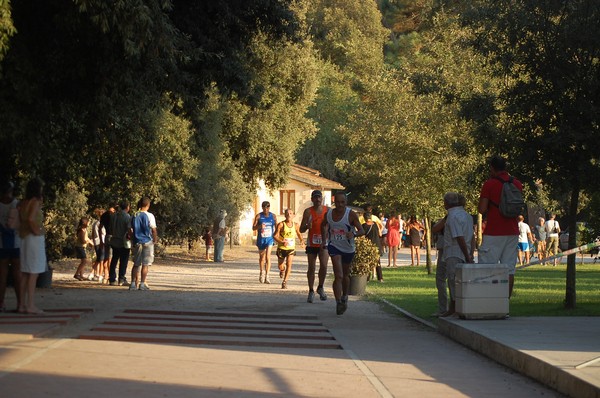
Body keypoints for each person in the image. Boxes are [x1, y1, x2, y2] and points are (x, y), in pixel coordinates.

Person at [477, 155, 523, 297]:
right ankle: (505, 304)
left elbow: (482, 209)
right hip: (512, 230)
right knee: (509, 269)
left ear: (492, 168)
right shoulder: (517, 183)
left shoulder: (489, 184)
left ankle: (489, 302)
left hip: (494, 232)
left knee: (488, 267)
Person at [321, 192, 365, 315]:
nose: (340, 205)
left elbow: (361, 230)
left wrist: (354, 234)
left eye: (343, 202)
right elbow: (323, 224)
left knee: (345, 275)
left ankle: (345, 296)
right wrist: (324, 240)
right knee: (338, 275)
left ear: (346, 203)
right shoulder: (329, 214)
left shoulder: (350, 214)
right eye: (338, 202)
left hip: (348, 248)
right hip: (334, 246)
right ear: (334, 202)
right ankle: (338, 301)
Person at [441, 192, 474, 317]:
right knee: (462, 281)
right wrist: (470, 253)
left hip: (454, 252)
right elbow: (472, 236)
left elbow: (459, 237)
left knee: (453, 280)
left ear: (447, 203)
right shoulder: (467, 216)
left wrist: (466, 255)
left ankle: (454, 307)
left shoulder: (453, 217)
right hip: (464, 252)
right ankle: (459, 307)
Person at [18, 177, 46, 314]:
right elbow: (31, 219)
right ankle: (30, 305)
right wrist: (38, 231)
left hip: (23, 238)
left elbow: (22, 219)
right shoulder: (35, 202)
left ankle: (22, 304)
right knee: (33, 272)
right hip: (33, 239)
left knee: (24, 272)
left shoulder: (23, 202)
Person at [300, 190, 329, 303]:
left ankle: (320, 287)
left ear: (322, 199)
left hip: (324, 242)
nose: (317, 200)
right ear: (312, 199)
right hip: (312, 243)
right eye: (315, 198)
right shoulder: (308, 212)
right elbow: (301, 229)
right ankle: (311, 290)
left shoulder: (328, 211)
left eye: (319, 197)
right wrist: (307, 226)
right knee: (311, 267)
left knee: (324, 266)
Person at [0, 181, 22, 312]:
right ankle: (20, 303)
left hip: (2, 243)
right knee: (17, 274)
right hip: (16, 243)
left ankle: (1, 303)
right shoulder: (17, 204)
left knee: (2, 275)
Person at [129, 197, 158, 290]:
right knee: (145, 264)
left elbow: (129, 229)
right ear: (148, 205)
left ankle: (133, 284)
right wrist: (155, 239)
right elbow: (153, 229)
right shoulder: (150, 215)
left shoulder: (134, 215)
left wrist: (133, 238)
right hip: (147, 241)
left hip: (137, 241)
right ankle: (142, 284)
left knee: (136, 263)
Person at [273, 208, 304, 289]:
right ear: (285, 215)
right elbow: (275, 236)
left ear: (293, 215)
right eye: (287, 213)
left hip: (291, 248)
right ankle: (282, 270)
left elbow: (299, 234)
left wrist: (302, 241)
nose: (289, 215)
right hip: (281, 248)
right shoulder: (281, 224)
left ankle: (285, 281)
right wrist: (281, 241)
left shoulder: (296, 225)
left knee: (289, 264)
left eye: (290, 213)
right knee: (280, 265)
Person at [109, 201, 131, 286]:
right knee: (123, 260)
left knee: (114, 260)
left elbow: (110, 228)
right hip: (123, 242)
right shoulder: (127, 216)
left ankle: (112, 279)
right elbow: (128, 229)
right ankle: (121, 279)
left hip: (114, 240)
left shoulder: (114, 215)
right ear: (127, 207)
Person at [253, 201, 276, 283]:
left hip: (269, 239)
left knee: (268, 257)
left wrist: (276, 237)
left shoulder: (273, 216)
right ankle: (261, 272)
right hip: (261, 239)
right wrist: (259, 226)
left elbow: (276, 228)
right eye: (264, 207)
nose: (266, 209)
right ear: (262, 207)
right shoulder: (258, 216)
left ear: (269, 207)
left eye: (267, 207)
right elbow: (253, 228)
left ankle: (267, 275)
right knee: (262, 258)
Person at [431, 216, 447, 316]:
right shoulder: (467, 218)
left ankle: (443, 309)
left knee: (441, 279)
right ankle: (455, 308)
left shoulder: (449, 218)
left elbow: (435, 228)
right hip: (458, 252)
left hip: (446, 252)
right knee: (455, 281)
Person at [362, 212, 383, 282]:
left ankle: (367, 279)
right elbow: (380, 234)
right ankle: (380, 278)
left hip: (369, 245)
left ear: (364, 218)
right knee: (378, 262)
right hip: (377, 245)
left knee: (368, 262)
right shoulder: (375, 224)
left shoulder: (364, 226)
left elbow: (362, 236)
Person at [99, 204, 116, 284]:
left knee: (106, 257)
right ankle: (109, 276)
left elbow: (100, 228)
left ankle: (105, 275)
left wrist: (101, 240)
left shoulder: (104, 215)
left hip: (106, 236)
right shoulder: (114, 215)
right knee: (111, 258)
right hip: (113, 237)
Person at [90, 208, 105, 282]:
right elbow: (103, 233)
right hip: (101, 242)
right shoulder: (101, 224)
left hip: (96, 242)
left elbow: (92, 234)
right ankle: (100, 274)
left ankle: (92, 273)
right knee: (102, 259)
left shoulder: (94, 223)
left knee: (98, 259)